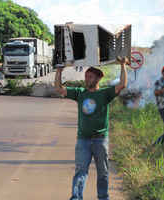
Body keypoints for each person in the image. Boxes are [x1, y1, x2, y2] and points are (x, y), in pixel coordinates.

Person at [54, 58, 128, 200]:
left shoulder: (105, 94)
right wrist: (59, 71)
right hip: (83, 140)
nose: (87, 79)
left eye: (90, 77)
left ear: (98, 78)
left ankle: (103, 197)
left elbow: (122, 84)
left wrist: (123, 65)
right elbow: (59, 89)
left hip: (100, 140)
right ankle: (76, 197)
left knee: (103, 173)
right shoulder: (80, 92)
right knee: (80, 171)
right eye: (86, 76)